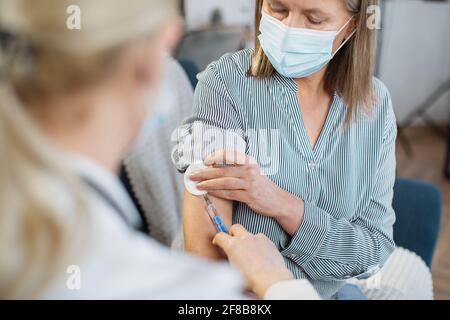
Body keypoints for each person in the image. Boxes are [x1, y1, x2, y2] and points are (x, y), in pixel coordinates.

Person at [0, 0, 322, 299]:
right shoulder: (180, 290)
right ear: (152, 58)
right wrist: (276, 281)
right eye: (279, 10)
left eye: (314, 18)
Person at [173, 0, 396, 299]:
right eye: (278, 9)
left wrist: (280, 204)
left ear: (352, 26)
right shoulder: (227, 84)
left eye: (314, 19)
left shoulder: (376, 107)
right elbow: (206, 259)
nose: (289, 29)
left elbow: (373, 253)